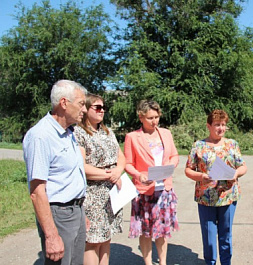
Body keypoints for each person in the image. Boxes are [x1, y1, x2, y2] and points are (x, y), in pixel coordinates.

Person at [23, 80, 88, 265]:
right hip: (59, 214)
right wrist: (51, 235)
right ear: (64, 103)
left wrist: (81, 214)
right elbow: (37, 191)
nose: (84, 110)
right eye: (81, 104)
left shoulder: (68, 133)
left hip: (75, 210)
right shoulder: (41, 136)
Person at [185, 109, 247, 265]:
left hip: (228, 196)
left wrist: (235, 174)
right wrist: (201, 176)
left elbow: (243, 166)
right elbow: (188, 169)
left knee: (226, 234)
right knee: (209, 235)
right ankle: (210, 262)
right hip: (206, 197)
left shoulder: (232, 144)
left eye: (224, 125)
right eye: (217, 124)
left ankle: (226, 262)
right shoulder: (199, 146)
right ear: (208, 126)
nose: (221, 128)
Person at [124, 100, 179, 265]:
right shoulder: (132, 137)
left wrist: (171, 166)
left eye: (156, 117)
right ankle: (148, 262)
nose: (154, 121)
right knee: (145, 231)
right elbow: (127, 164)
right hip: (144, 190)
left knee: (162, 231)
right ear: (141, 117)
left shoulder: (166, 133)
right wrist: (138, 175)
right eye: (150, 118)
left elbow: (175, 156)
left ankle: (162, 262)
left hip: (164, 189)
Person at [74, 93, 125, 265]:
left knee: (106, 237)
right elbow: (81, 166)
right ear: (86, 109)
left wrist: (118, 170)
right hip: (93, 193)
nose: (102, 110)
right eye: (97, 107)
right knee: (93, 241)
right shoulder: (79, 133)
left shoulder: (107, 131)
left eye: (103, 107)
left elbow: (121, 156)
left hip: (110, 193)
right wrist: (109, 175)